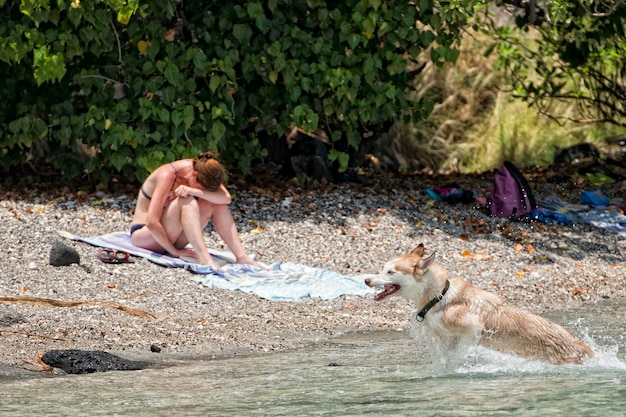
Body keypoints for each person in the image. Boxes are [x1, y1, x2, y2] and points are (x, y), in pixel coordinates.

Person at [130, 151, 264, 269]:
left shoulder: (204, 169)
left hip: (172, 235)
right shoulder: (168, 175)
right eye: (202, 187)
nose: (202, 190)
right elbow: (152, 222)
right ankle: (204, 258)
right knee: (186, 201)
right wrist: (174, 252)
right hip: (146, 235)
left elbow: (226, 198)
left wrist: (194, 191)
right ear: (194, 175)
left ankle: (242, 257)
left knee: (215, 203)